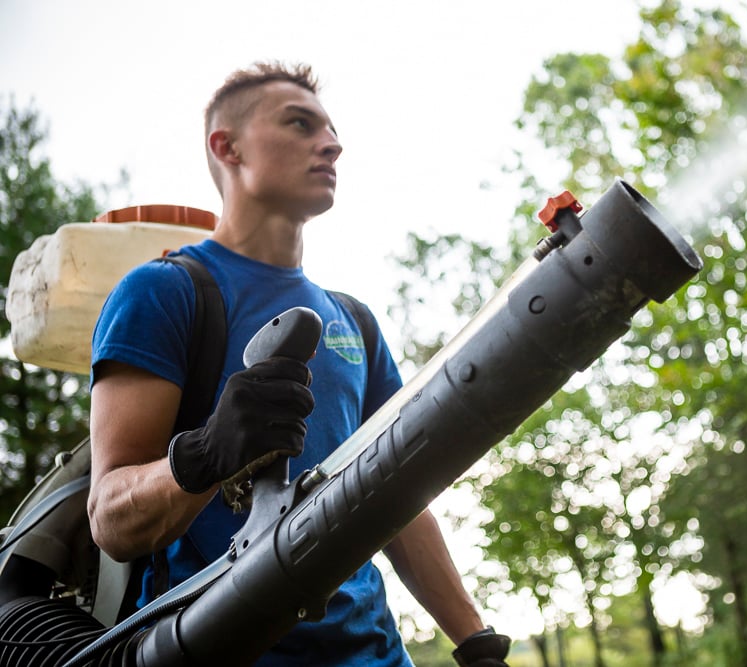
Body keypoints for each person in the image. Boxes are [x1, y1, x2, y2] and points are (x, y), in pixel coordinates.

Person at [87, 62, 510, 666]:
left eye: (332, 131)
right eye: (299, 124)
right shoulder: (163, 292)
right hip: (216, 652)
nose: (332, 143)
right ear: (226, 147)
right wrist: (206, 454)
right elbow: (111, 521)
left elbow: (399, 496)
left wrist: (475, 641)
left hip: (376, 656)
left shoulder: (355, 320)